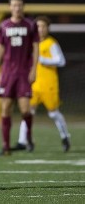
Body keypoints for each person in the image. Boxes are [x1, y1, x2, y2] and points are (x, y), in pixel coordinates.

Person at [12, 15, 71, 152]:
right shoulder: (31, 43)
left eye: (43, 26)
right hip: (33, 84)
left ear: (48, 28)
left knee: (53, 113)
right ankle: (23, 141)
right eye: (38, 26)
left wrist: (43, 59)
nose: (40, 29)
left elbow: (61, 61)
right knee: (27, 111)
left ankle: (65, 136)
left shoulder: (51, 43)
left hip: (49, 84)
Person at [0, 0, 39, 156]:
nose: (17, 8)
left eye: (19, 5)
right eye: (14, 5)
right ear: (10, 7)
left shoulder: (30, 25)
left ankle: (29, 138)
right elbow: (0, 47)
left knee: (25, 109)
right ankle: (5, 146)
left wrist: (34, 69)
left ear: (23, 7)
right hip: (7, 73)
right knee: (5, 109)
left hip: (24, 72)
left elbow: (36, 48)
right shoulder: (4, 25)